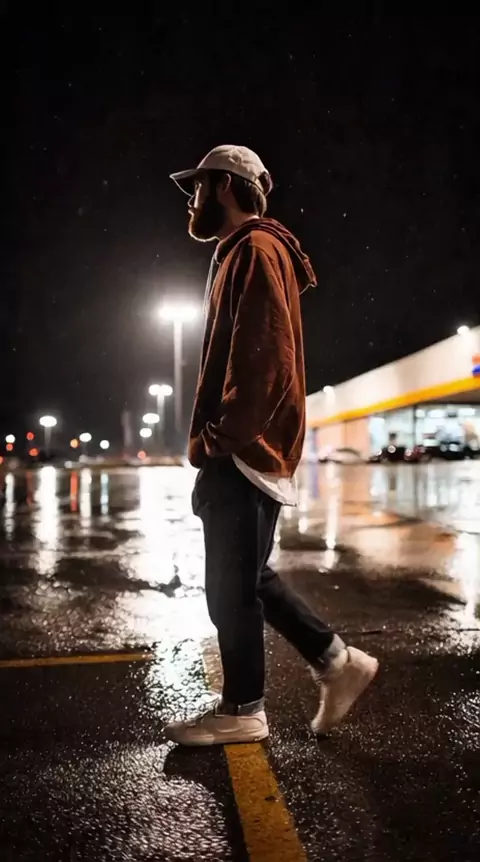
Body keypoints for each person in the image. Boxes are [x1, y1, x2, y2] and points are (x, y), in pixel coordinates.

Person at [166, 145, 378, 746]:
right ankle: (337, 661)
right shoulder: (248, 249)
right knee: (247, 576)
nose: (191, 200)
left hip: (243, 447)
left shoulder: (255, 249)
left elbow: (264, 354)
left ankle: (244, 710)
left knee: (230, 587)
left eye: (198, 187)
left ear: (225, 187)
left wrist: (224, 437)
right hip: (244, 445)